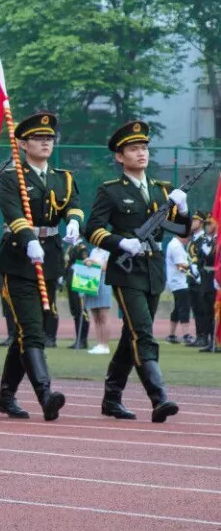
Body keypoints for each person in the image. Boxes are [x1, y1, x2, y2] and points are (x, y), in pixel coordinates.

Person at [85, 121, 191, 422]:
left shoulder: (162, 190)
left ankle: (111, 398)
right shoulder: (110, 191)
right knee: (143, 331)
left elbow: (182, 230)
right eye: (133, 149)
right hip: (126, 269)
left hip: (153, 268)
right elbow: (92, 230)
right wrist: (121, 242)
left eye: (144, 148)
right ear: (120, 157)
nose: (141, 153)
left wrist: (182, 210)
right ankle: (159, 398)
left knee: (130, 335)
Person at [0, 111, 77, 421]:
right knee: (32, 330)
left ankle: (5, 396)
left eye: (49, 138)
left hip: (50, 259)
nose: (45, 142)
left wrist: (75, 224)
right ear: (23, 144)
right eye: (39, 138)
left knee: (26, 333)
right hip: (18, 260)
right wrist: (28, 237)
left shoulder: (62, 177)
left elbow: (74, 205)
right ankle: (45, 394)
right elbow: (13, 212)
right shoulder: (11, 177)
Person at [191, 214, 217, 352]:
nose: (207, 226)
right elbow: (200, 259)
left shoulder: (217, 241)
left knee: (215, 311)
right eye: (206, 224)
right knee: (206, 311)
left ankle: (216, 340)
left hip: (216, 278)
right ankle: (208, 339)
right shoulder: (204, 241)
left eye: (210, 224)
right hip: (205, 280)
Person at [83, 247, 113, 355]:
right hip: (93, 280)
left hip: (104, 281)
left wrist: (93, 262)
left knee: (103, 314)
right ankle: (99, 343)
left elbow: (105, 267)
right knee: (95, 316)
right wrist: (86, 262)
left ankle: (105, 345)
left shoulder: (108, 250)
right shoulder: (94, 251)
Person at [65, 237, 92, 349]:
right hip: (71, 279)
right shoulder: (71, 247)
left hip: (79, 277)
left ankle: (83, 339)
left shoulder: (82, 247)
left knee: (81, 310)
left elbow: (84, 262)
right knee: (75, 310)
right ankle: (78, 338)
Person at [165, 234, 192, 345]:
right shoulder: (176, 246)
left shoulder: (174, 244)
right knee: (184, 308)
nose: (188, 239)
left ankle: (171, 334)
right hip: (180, 282)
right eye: (188, 237)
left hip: (176, 282)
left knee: (177, 308)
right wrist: (194, 265)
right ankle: (186, 335)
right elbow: (180, 265)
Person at [186, 211, 206, 346]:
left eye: (195, 220)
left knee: (202, 309)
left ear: (201, 223)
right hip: (191, 278)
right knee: (196, 309)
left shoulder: (204, 239)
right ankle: (199, 336)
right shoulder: (192, 239)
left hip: (201, 279)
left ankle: (204, 336)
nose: (192, 222)